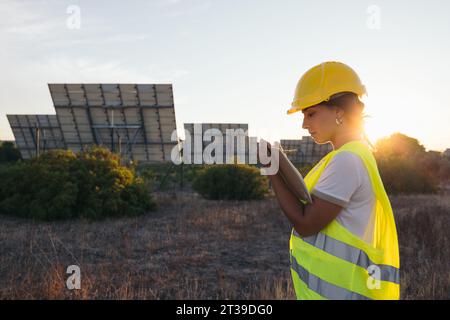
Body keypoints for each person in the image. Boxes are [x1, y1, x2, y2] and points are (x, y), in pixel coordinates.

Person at [268, 61, 400, 300]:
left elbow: (306, 223)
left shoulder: (347, 161)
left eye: (311, 113)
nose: (304, 124)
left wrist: (270, 170)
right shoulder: (352, 155)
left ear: (338, 111)